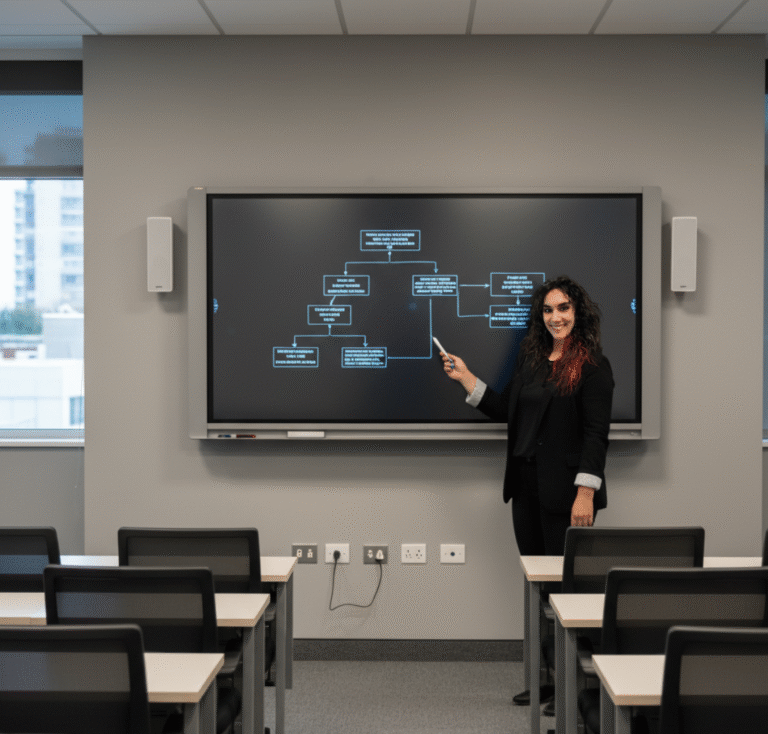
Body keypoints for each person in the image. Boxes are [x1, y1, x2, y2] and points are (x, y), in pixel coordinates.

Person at [439, 275, 614, 708]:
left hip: (568, 495)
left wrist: (586, 493)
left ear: (579, 313)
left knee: (567, 591)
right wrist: (466, 379)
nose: (556, 317)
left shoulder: (593, 366)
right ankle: (550, 683)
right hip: (526, 489)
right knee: (540, 589)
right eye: (549, 310)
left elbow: (596, 435)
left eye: (564, 309)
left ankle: (577, 688)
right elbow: (506, 411)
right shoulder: (533, 360)